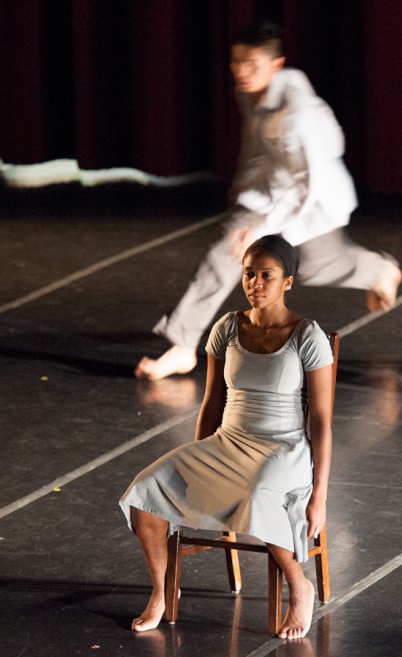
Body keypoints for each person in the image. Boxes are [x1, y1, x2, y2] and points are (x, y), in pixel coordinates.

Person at [135, 20, 401, 381]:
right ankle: (182, 346)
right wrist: (246, 198)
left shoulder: (300, 116)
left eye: (253, 65)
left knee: (317, 267)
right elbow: (258, 148)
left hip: (315, 203)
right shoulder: (251, 90)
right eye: (236, 62)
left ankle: (379, 270)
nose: (242, 72)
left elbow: (306, 187)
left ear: (276, 66)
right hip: (269, 193)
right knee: (223, 258)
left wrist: (263, 228)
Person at [121, 235, 334, 640]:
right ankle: (162, 591)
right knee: (143, 495)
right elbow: (211, 403)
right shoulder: (227, 328)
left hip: (283, 449)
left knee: (258, 496)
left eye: (266, 276)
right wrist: (197, 455)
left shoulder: (308, 336)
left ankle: (299, 584)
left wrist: (319, 495)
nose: (255, 283)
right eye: (249, 274)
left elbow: (322, 420)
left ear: (288, 281)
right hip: (228, 444)